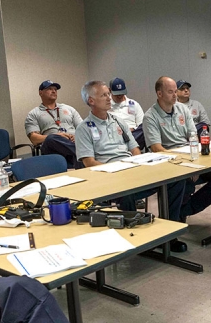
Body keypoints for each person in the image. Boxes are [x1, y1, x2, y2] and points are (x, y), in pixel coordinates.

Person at [76, 80, 188, 252]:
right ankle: (137, 240)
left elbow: (135, 149)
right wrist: (116, 170)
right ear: (91, 101)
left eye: (108, 94)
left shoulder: (118, 121)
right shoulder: (84, 128)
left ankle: (169, 235)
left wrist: (140, 164)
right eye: (103, 95)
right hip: (110, 176)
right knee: (126, 193)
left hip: (132, 168)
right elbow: (89, 162)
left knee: (174, 180)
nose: (109, 98)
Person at [143, 76, 211, 224]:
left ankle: (183, 211)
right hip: (168, 164)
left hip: (188, 158)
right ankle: (173, 223)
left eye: (176, 91)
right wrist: (185, 165)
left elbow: (193, 137)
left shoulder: (183, 109)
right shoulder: (150, 116)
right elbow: (157, 149)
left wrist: (194, 164)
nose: (175, 95)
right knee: (182, 182)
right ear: (159, 94)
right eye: (170, 92)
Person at [25, 80, 83, 168]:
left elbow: (82, 128)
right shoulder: (34, 113)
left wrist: (76, 137)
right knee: (51, 137)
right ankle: (83, 154)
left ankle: (79, 155)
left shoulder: (69, 109)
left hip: (73, 142)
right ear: (41, 93)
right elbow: (34, 139)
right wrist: (58, 136)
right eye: (50, 89)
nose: (54, 91)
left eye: (55, 89)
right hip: (52, 147)